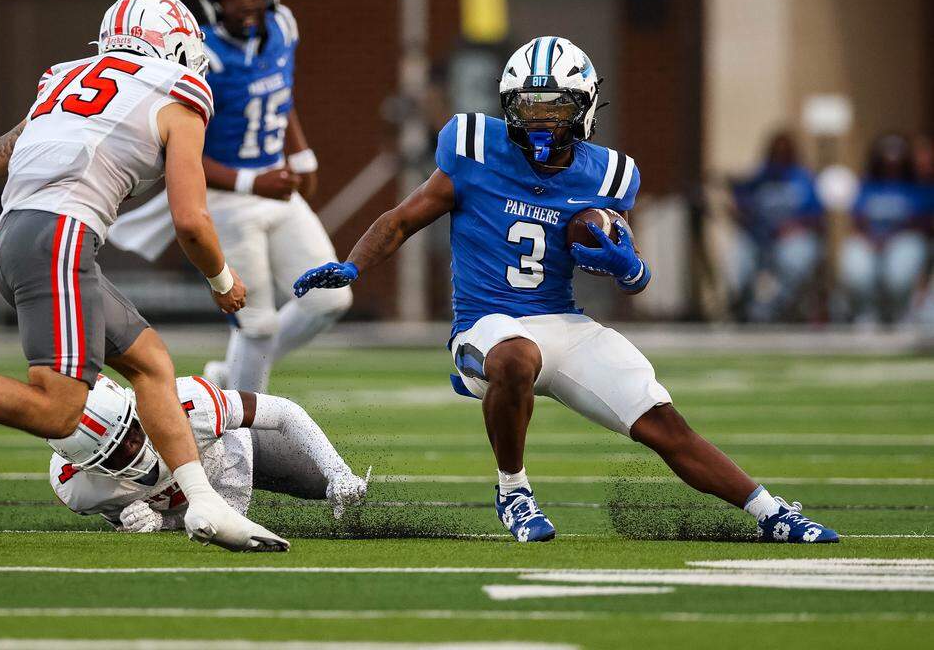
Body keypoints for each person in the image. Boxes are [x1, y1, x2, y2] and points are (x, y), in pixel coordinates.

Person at [294, 36, 838, 544]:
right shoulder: (474, 148)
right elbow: (400, 219)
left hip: (563, 323)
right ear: (508, 106)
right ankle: (514, 493)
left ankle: (771, 512)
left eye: (553, 107)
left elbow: (635, 280)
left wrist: (627, 265)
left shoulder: (608, 175)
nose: (540, 120)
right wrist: (352, 267)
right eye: (528, 107)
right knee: (514, 357)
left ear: (583, 108)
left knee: (664, 424)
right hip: (486, 324)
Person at [0, 0, 287, 552]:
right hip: (60, 239)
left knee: (151, 363)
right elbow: (191, 221)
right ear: (173, 43)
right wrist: (223, 281)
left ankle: (204, 503)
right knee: (59, 408)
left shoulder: (62, 80)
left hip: (20, 239)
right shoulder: (180, 89)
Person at [108, 0, 351, 393]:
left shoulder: (284, 28)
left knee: (331, 299)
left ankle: (227, 379)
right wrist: (252, 183)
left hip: (275, 186)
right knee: (254, 325)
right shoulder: (201, 57)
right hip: (226, 198)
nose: (245, 3)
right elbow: (179, 151)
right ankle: (241, 429)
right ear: (212, 1)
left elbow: (280, 97)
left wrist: (302, 155)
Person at [50, 374, 370, 531]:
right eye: (112, 456)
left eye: (131, 434)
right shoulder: (78, 489)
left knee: (322, 485)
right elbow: (134, 518)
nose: (130, 452)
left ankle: (224, 378)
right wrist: (161, 523)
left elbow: (283, 412)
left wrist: (337, 472)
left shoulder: (191, 405)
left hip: (234, 454)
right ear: (85, 465)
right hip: (192, 508)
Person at [727, 131, 824, 322]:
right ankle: (744, 310)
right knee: (739, 258)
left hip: (792, 237)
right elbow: (742, 207)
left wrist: (793, 226)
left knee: (795, 257)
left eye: (784, 153)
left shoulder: (803, 178)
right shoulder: (760, 177)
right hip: (759, 237)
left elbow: (817, 217)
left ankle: (778, 310)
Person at [839, 132, 930, 324]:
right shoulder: (866, 185)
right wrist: (870, 240)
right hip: (870, 241)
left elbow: (923, 223)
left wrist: (891, 239)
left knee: (899, 270)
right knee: (857, 268)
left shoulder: (918, 186)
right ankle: (866, 316)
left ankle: (900, 315)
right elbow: (856, 220)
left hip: (904, 240)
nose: (891, 159)